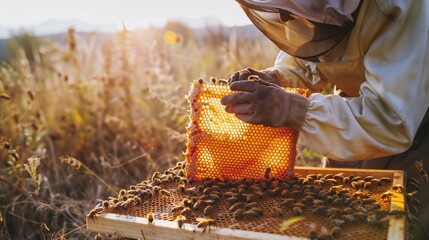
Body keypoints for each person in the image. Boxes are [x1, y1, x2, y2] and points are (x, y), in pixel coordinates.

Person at [220, 0, 429, 238]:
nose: (283, 17)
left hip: (416, 125)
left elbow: (390, 118)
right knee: (331, 219)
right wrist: (277, 78)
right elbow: (311, 56)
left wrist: (290, 108)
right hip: (351, 111)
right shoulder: (322, 10)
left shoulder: (401, 6)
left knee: (403, 225)